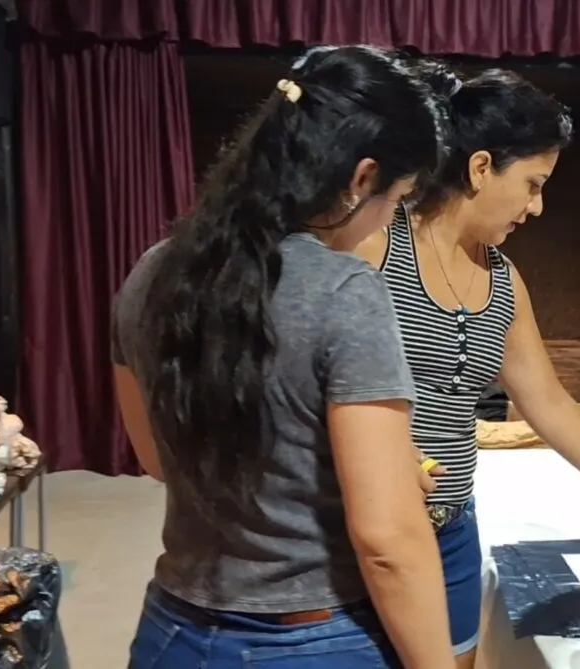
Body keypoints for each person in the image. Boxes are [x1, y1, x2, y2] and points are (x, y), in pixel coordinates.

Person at [111, 45, 457, 669]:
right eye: (398, 199)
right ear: (361, 179)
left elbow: (157, 459)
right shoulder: (345, 291)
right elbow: (387, 541)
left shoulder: (153, 272)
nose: (386, 222)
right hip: (306, 642)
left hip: (171, 632)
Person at [357, 64, 580, 667]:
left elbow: (546, 402)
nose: (537, 207)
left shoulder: (503, 280)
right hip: (368, 527)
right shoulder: (376, 246)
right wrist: (388, 456)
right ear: (481, 168)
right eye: (533, 184)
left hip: (451, 525)